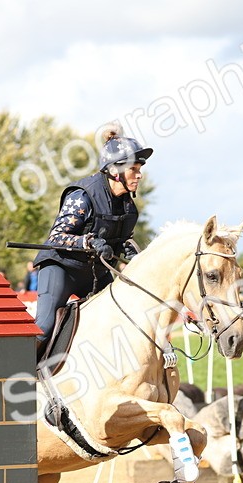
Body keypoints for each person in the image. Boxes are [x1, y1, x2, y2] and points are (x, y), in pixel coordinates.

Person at [31, 129, 151, 350]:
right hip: (61, 269)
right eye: (134, 169)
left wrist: (133, 254)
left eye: (139, 169)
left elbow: (123, 240)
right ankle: (22, 376)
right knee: (44, 327)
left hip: (94, 274)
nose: (139, 175)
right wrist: (89, 242)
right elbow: (57, 237)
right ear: (115, 171)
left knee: (121, 320)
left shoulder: (129, 208)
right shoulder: (82, 196)